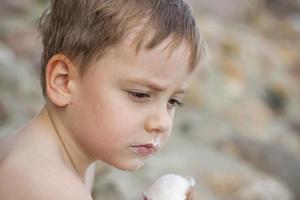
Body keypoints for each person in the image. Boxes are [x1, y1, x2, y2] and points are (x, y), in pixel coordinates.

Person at [0, 0, 206, 199]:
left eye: (173, 102)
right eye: (139, 94)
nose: (162, 122)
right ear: (63, 81)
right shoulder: (49, 186)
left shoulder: (64, 158)